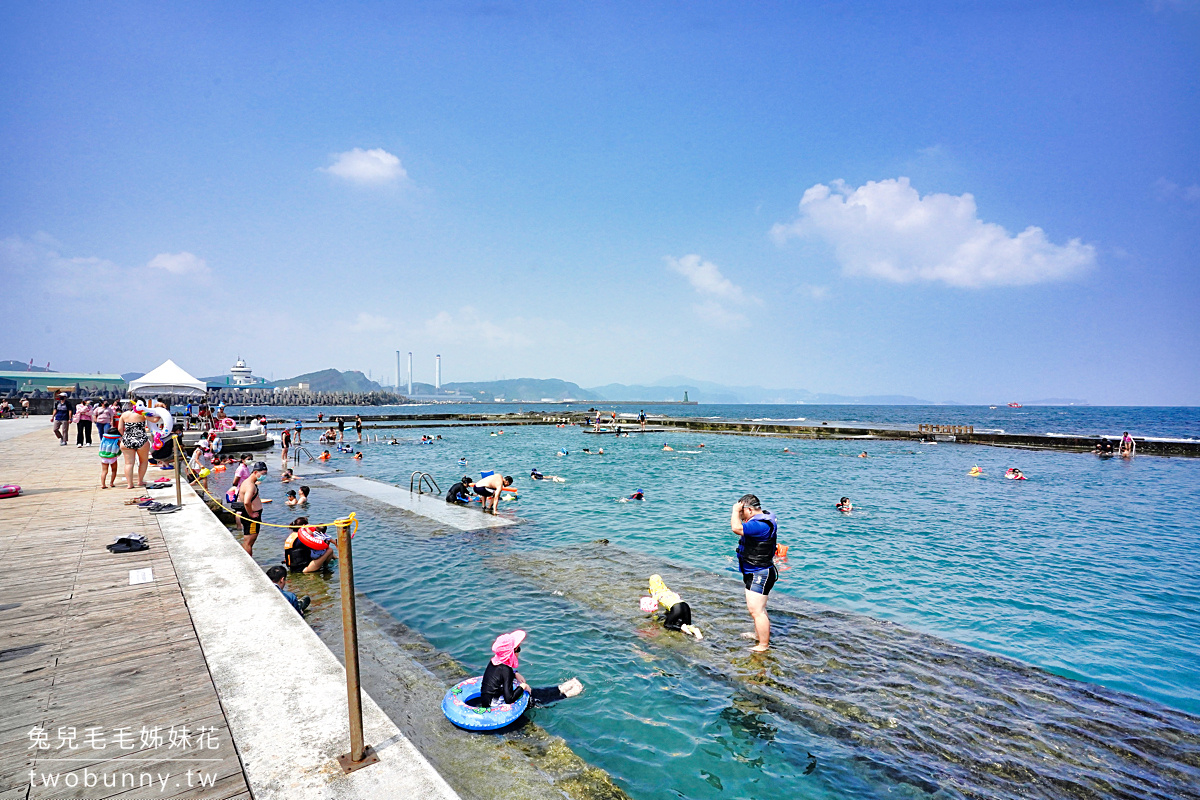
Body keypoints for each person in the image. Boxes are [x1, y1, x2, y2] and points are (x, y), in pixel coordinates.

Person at [478, 630, 583, 708]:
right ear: (511, 654)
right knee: (534, 699)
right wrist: (522, 686)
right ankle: (564, 695)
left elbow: (498, 675)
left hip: (490, 697)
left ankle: (559, 688)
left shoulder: (495, 661)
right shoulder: (506, 671)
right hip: (493, 705)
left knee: (532, 691)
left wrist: (515, 673)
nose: (519, 651)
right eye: (517, 649)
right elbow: (509, 699)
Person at [731, 494, 778, 652]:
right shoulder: (762, 518)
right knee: (758, 609)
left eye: (742, 513)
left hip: (760, 572)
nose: (741, 516)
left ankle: (763, 645)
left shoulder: (760, 525)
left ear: (750, 510)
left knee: (756, 610)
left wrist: (734, 510)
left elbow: (736, 528)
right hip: (755, 570)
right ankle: (759, 635)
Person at [647, 574, 703, 639]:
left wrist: (654, 619)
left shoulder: (656, 594)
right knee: (688, 625)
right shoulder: (668, 590)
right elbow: (674, 600)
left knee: (667, 625)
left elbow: (654, 611)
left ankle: (681, 628)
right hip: (685, 605)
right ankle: (696, 631)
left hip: (676, 608)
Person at [236, 462, 271, 555]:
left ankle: (244, 558)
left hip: (251, 515)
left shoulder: (249, 482)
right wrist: (251, 514)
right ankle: (248, 563)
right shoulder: (250, 485)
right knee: (249, 542)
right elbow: (247, 502)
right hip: (252, 517)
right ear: (255, 472)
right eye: (263, 474)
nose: (264, 476)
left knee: (248, 541)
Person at [117, 402, 152, 488]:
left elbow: (120, 429)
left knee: (128, 463)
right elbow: (154, 420)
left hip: (127, 439)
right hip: (141, 439)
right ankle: (140, 481)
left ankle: (130, 484)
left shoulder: (124, 415)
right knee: (143, 461)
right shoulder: (142, 413)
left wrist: (123, 437)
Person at [98, 422, 122, 488]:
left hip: (104, 457)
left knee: (104, 471)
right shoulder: (117, 440)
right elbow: (120, 447)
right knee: (114, 470)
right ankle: (111, 483)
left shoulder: (104, 439)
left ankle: (103, 484)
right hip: (113, 457)